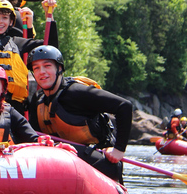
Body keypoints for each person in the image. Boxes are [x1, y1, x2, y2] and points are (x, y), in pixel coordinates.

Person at [28, 45, 131, 183]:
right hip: (58, 160)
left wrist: (118, 150)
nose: (42, 72)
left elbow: (124, 106)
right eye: (36, 68)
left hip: (95, 159)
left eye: (47, 66)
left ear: (59, 68)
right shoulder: (37, 99)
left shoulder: (76, 93)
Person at [0, 0, 59, 113]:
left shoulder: (18, 43)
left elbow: (50, 46)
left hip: (16, 107)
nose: (0, 21)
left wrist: (49, 15)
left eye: (5, 18)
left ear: (11, 22)